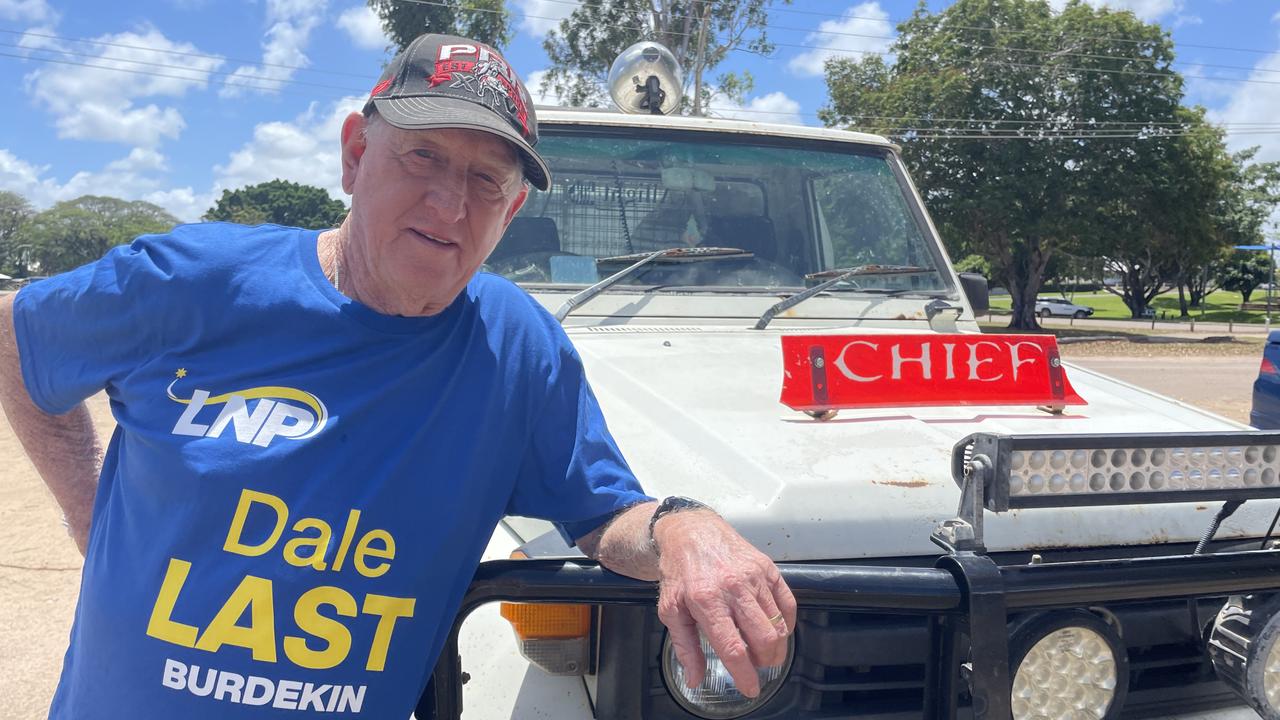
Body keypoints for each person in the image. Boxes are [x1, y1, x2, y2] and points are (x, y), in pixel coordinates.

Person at [0, 33, 796, 719]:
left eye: (487, 180)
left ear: (510, 213)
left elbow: (602, 514)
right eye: (424, 156)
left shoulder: (515, 348)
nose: (450, 205)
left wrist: (689, 528)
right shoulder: (196, 282)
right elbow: (17, 337)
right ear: (355, 155)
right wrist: (87, 512)